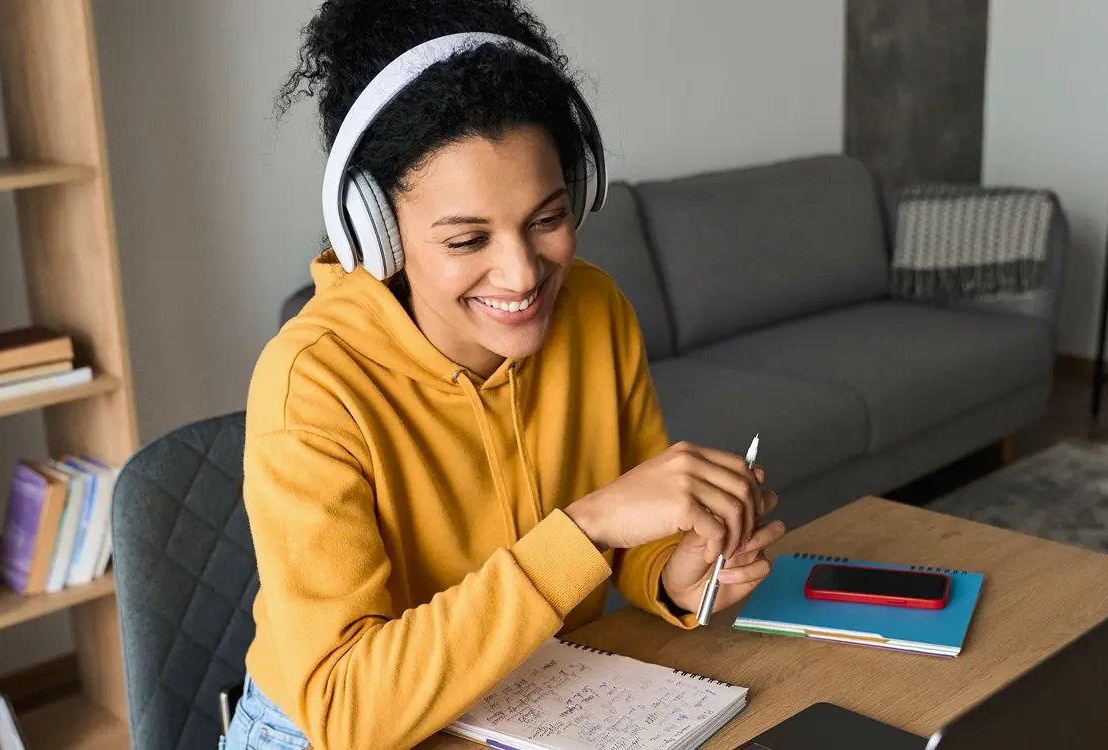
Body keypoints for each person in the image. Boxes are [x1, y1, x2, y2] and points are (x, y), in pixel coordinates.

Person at [227, 1, 786, 748]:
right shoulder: (313, 385)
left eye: (547, 218)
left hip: (532, 694)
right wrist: (584, 528)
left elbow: (631, 524)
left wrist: (673, 573)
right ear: (378, 234)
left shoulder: (594, 308)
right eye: (467, 238)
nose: (524, 273)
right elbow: (346, 707)